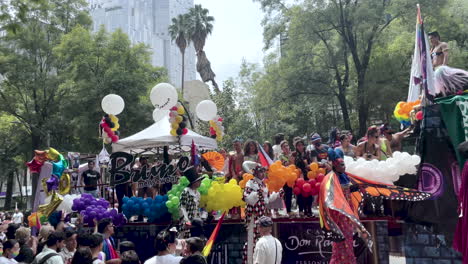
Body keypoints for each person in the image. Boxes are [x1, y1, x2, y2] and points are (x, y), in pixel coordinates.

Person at [242, 162, 281, 264]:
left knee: (261, 242)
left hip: (262, 216)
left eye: (264, 171)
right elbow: (246, 198)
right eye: (260, 172)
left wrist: (277, 195)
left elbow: (266, 200)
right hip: (253, 217)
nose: (263, 174)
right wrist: (256, 194)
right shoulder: (250, 183)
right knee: (252, 242)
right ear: (256, 173)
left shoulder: (264, 185)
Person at [179, 168, 204, 239]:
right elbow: (182, 207)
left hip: (196, 222)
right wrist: (186, 221)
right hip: (188, 223)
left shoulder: (198, 193)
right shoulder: (186, 192)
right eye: (198, 181)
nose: (200, 182)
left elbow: (197, 208)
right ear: (194, 182)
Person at [292, 137, 313, 217]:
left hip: (307, 175)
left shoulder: (307, 153)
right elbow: (293, 165)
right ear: (296, 147)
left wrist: (308, 166)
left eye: (301, 145)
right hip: (299, 176)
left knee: (308, 192)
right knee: (300, 194)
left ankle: (309, 209)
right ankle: (301, 210)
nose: (300, 147)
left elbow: (311, 164)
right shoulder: (294, 155)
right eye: (298, 146)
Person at [278, 140, 293, 215]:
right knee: (286, 193)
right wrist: (290, 160)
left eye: (287, 146)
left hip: (292, 176)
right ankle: (287, 210)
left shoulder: (292, 154)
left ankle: (290, 210)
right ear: (282, 148)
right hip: (284, 177)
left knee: (291, 193)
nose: (286, 147)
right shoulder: (281, 156)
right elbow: (286, 164)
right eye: (284, 146)